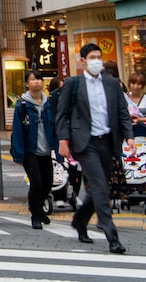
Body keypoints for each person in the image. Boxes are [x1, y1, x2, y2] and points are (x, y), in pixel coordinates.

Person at [56, 42, 135, 254]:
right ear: (82, 61)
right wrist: (63, 140)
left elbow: (122, 112)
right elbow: (62, 115)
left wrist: (129, 137)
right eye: (92, 57)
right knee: (100, 186)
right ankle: (112, 237)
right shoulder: (73, 84)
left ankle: (80, 221)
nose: (97, 61)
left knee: (101, 188)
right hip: (85, 143)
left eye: (99, 56)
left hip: (108, 141)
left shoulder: (111, 83)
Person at [11, 70, 58, 229]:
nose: (36, 82)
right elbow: (17, 131)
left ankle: (38, 209)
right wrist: (18, 154)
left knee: (48, 183)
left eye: (39, 79)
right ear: (27, 83)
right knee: (36, 182)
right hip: (30, 150)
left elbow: (55, 127)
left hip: (46, 149)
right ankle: (35, 215)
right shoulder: (22, 105)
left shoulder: (49, 104)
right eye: (33, 79)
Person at [127, 72, 146, 138]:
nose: (135, 86)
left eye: (139, 84)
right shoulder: (124, 98)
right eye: (133, 83)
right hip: (128, 133)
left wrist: (140, 119)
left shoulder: (145, 98)